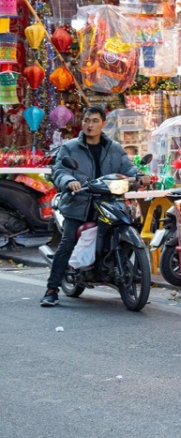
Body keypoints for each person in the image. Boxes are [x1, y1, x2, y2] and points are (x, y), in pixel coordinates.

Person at [42, 106, 139, 308]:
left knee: (127, 224)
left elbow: (127, 167)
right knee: (67, 242)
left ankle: (119, 270)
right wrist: (69, 181)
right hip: (79, 203)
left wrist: (139, 176)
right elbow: (60, 171)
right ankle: (52, 289)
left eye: (95, 121)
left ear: (103, 124)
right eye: (86, 120)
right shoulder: (70, 148)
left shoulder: (114, 148)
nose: (90, 124)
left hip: (108, 202)